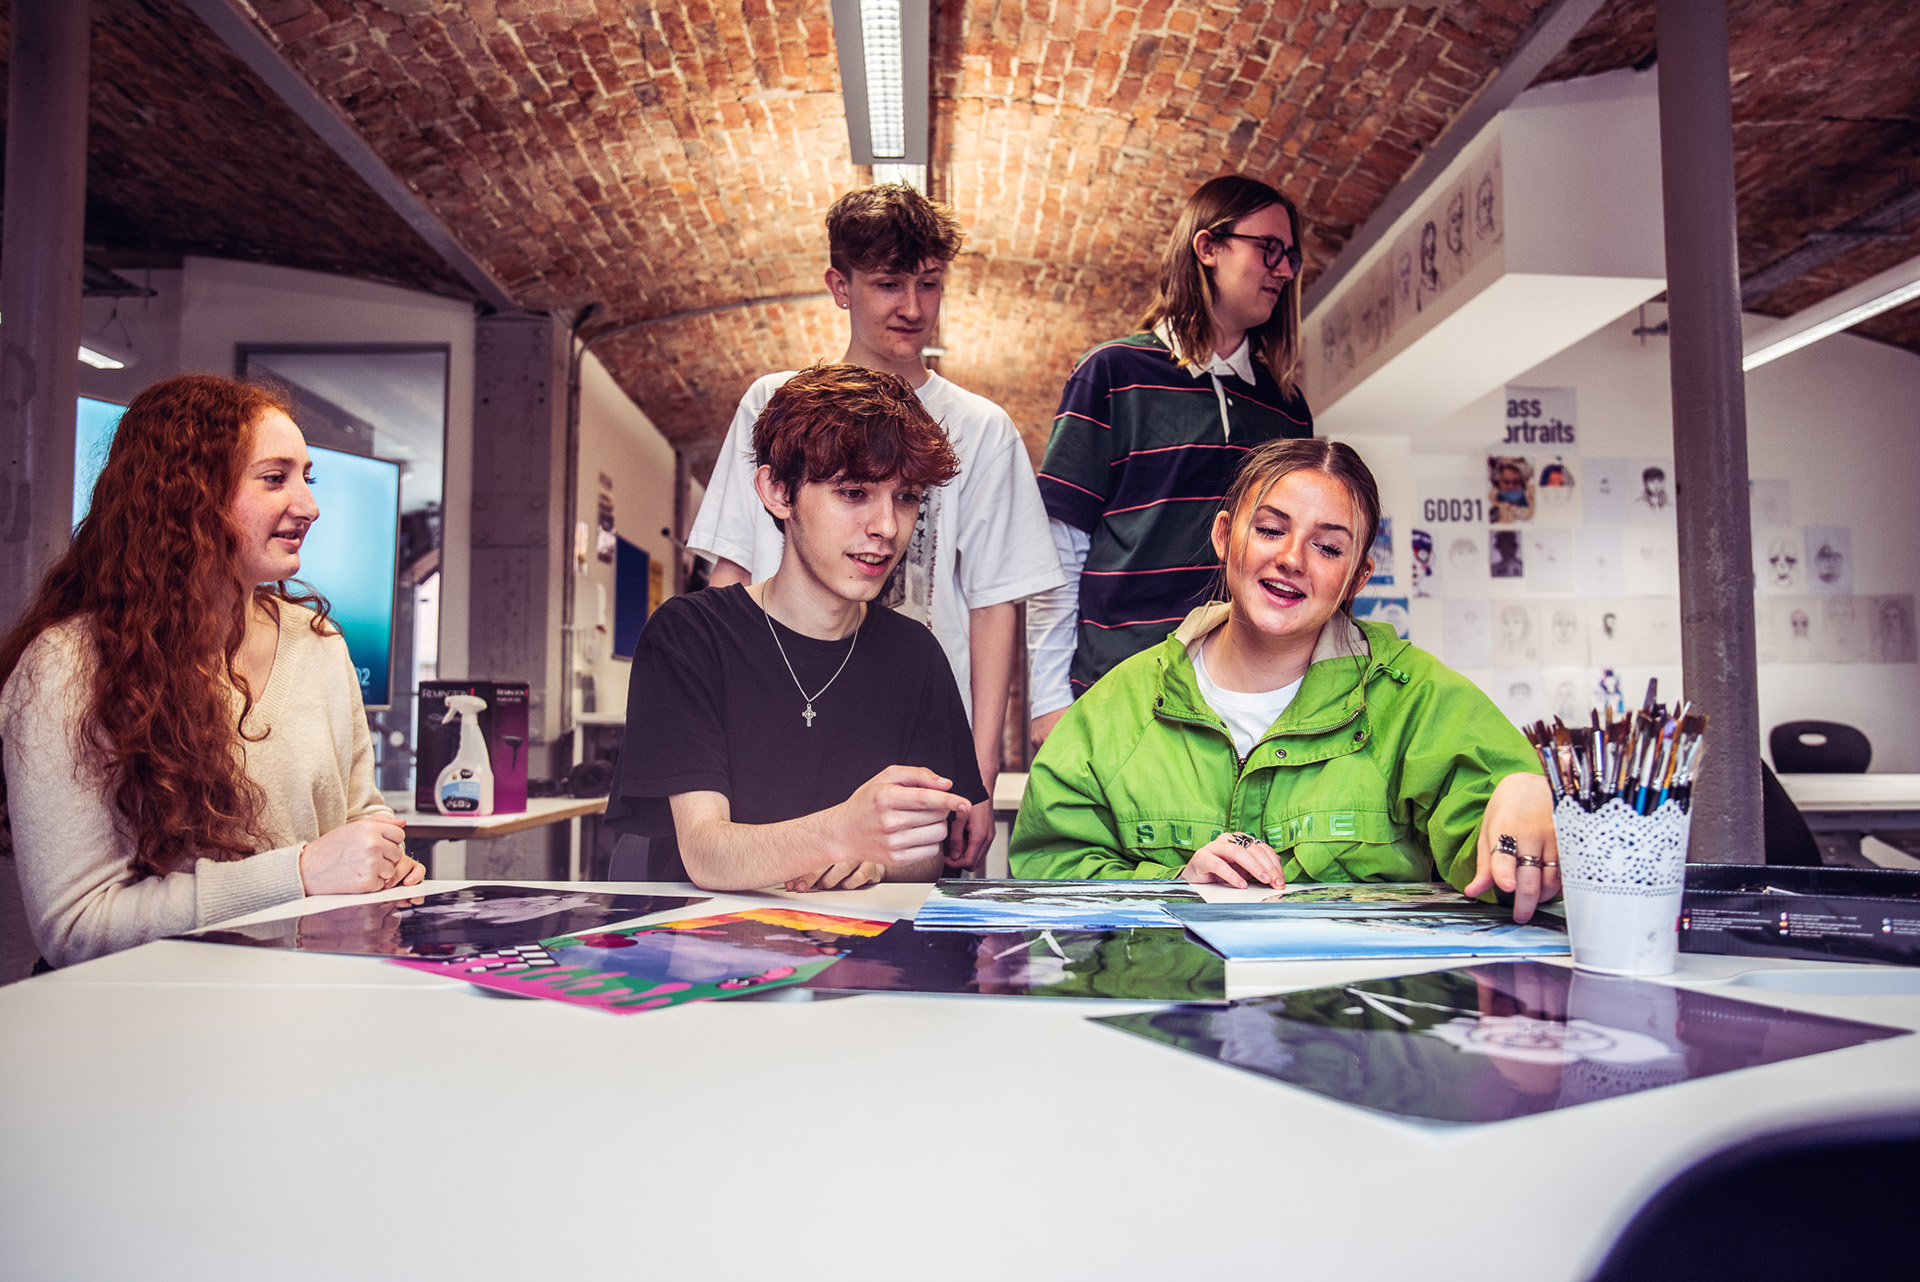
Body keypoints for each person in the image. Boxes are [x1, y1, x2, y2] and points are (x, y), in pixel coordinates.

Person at [1011, 439, 1560, 924]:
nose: (1292, 558)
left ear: (1357, 577)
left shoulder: (1416, 701)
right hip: (1170, 1015)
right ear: (1225, 537)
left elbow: (1509, 871)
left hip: (1352, 1030)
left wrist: (1534, 803)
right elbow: (1046, 877)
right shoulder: (1115, 709)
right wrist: (1174, 888)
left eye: (1328, 548)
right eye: (1271, 530)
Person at [687, 184, 1061, 863]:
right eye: (888, 283)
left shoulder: (982, 429)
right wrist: (719, 742)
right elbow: (732, 574)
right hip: (780, 722)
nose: (912, 308)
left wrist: (978, 774)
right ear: (840, 285)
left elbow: (993, 605)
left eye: (929, 283)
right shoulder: (773, 402)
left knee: (911, 940)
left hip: (915, 730)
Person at [0, 374, 420, 968]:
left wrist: (383, 855)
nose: (309, 505)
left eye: (307, 477)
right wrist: (299, 874)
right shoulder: (67, 667)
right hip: (156, 1028)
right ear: (186, 495)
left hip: (310, 1004)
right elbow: (77, 926)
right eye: (275, 478)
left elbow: (359, 812)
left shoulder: (318, 642)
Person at [613, 363, 989, 893]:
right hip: (706, 948)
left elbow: (927, 853)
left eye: (905, 497)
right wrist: (842, 833)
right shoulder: (689, 636)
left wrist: (876, 861)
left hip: (856, 953)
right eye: (854, 492)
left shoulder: (916, 655)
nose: (886, 527)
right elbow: (706, 852)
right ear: (777, 492)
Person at [1027, 174, 1313, 748]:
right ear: (1208, 247)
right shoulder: (1113, 372)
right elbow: (1058, 548)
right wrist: (1049, 702)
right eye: (1269, 249)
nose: (1284, 270)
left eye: (1291, 256)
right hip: (1122, 690)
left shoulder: (1287, 407)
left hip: (1253, 702)